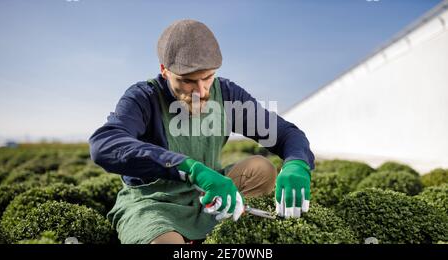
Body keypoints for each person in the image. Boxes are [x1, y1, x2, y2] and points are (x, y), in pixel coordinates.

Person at [89, 19, 315, 244]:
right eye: (187, 81)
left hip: (211, 194)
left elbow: (286, 133)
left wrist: (297, 163)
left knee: (262, 168)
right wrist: (190, 169)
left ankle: (222, 220)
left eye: (207, 77)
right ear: (165, 71)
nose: (200, 91)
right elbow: (105, 144)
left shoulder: (227, 94)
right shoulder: (143, 97)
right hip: (154, 203)